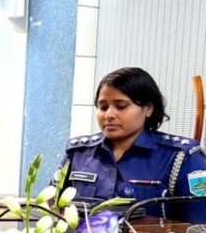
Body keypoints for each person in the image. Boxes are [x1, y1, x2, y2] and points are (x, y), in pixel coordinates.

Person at [57, 67, 206, 223]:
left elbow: (199, 226)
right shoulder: (78, 153)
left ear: (148, 108)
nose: (109, 115)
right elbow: (53, 208)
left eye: (121, 106)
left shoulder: (181, 157)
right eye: (103, 107)